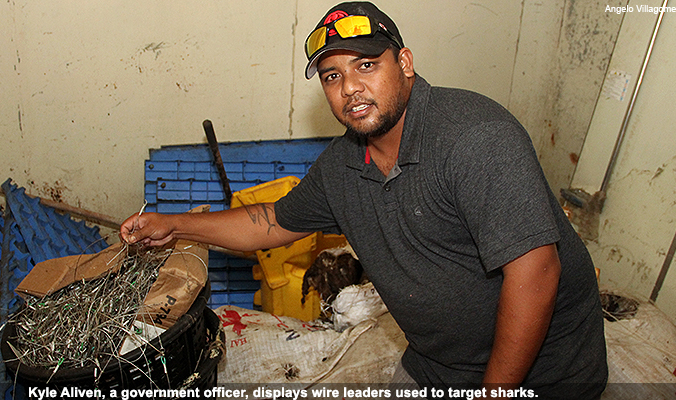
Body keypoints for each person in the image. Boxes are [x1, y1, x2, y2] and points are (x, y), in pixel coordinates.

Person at [121, 2, 608, 398]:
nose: (350, 87)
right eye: (332, 76)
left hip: (543, 369)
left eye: (366, 65)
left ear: (406, 64)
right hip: (439, 363)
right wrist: (176, 224)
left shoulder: (475, 137)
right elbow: (271, 222)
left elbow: (536, 271)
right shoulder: (344, 165)